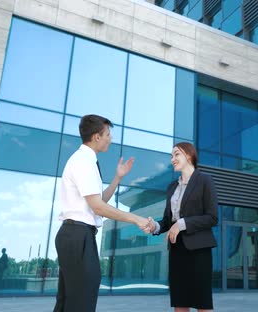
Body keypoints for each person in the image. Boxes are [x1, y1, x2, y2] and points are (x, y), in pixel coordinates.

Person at [53, 114, 151, 312]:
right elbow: (98, 207)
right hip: (77, 236)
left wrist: (117, 177)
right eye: (108, 134)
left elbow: (99, 202)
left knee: (69, 303)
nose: (110, 138)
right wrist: (135, 218)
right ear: (97, 136)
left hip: (77, 235)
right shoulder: (83, 162)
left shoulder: (87, 161)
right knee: (81, 303)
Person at [148, 142, 218, 312]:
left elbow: (212, 217)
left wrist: (182, 224)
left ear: (189, 155)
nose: (172, 159)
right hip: (177, 249)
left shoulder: (204, 180)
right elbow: (168, 220)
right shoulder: (172, 187)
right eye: (172, 156)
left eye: (176, 154)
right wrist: (155, 226)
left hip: (199, 249)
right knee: (180, 301)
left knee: (202, 302)